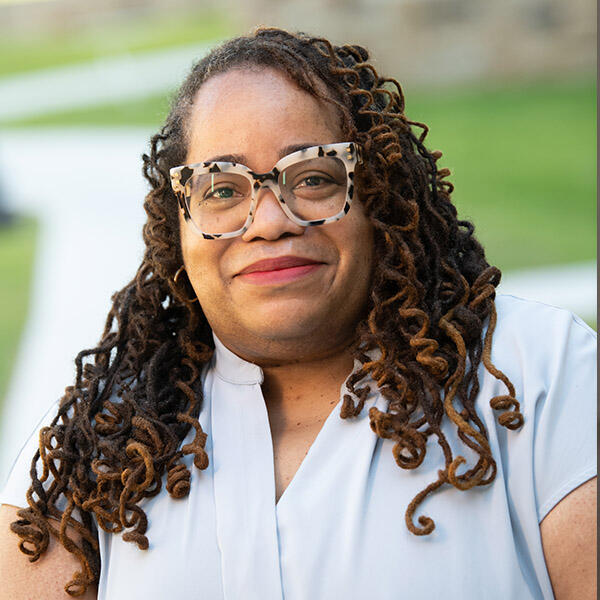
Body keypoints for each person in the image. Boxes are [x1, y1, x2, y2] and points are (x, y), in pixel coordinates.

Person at [0, 27, 596, 600]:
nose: (270, 221)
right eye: (223, 189)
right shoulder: (93, 447)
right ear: (177, 226)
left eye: (312, 177)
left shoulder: (540, 376)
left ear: (380, 197)